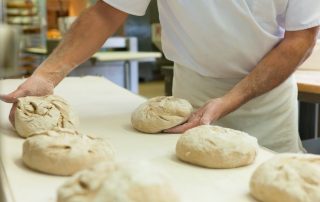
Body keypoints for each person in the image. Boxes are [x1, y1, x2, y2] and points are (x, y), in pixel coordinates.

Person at [1, 0, 319, 152]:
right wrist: (48, 75)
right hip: (191, 95)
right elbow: (106, 11)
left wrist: (228, 101)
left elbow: (300, 40)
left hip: (265, 101)